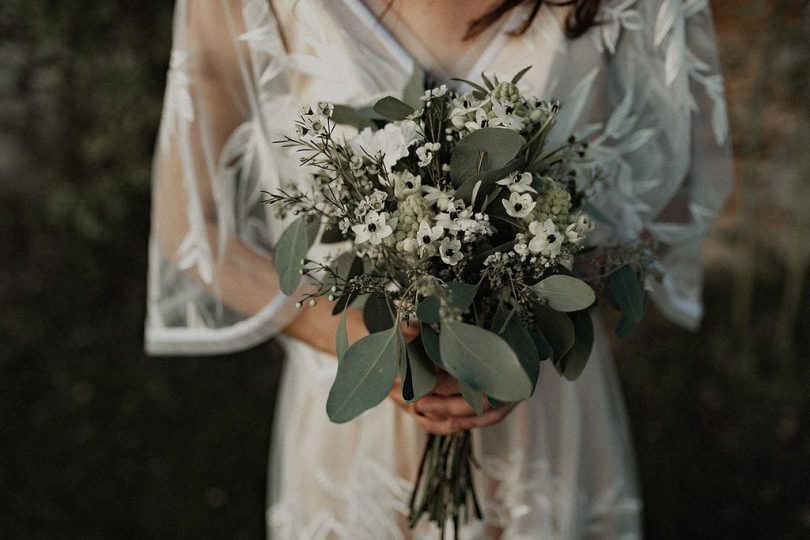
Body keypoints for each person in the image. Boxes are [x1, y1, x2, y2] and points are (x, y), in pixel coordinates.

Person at [145, 0, 733, 537]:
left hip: (541, 406)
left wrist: (528, 320)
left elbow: (687, 182)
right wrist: (371, 348)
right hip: (355, 415)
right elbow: (192, 225)